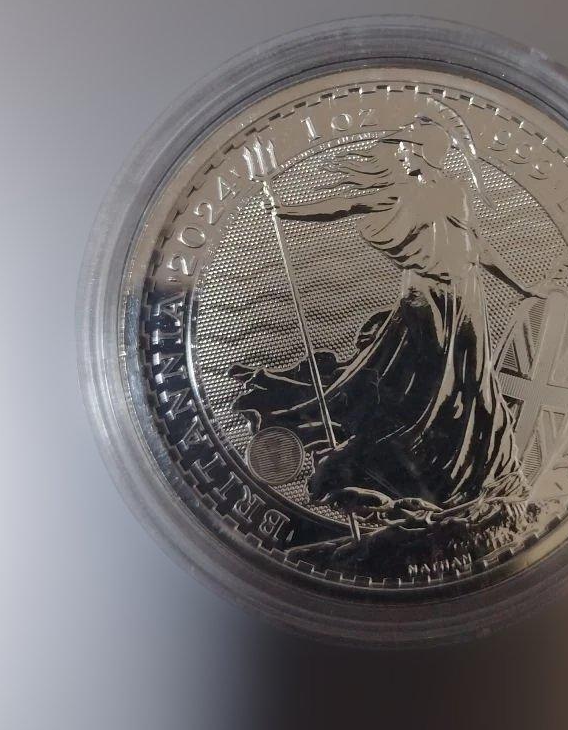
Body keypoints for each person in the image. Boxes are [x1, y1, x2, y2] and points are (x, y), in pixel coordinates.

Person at [231, 110, 543, 519]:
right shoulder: (401, 191)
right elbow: (346, 205)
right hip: (424, 296)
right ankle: (410, 461)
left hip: (465, 295)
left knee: (467, 381)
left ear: (425, 152)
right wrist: (285, 210)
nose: (400, 155)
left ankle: (464, 465)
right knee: (420, 378)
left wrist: (520, 285)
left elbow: (475, 244)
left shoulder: (454, 192)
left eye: (407, 148)